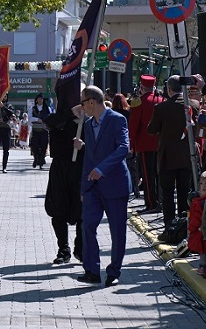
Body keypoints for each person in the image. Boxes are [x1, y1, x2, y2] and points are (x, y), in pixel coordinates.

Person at [72, 85, 131, 286]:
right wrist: (83, 187)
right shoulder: (88, 125)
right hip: (92, 187)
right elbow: (90, 157)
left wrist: (102, 168)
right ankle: (92, 271)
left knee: (117, 230)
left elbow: (123, 148)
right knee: (87, 225)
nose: (81, 107)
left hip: (114, 184)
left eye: (82, 102)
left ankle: (114, 271)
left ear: (91, 102)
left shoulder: (117, 120)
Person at [147, 75, 196, 231]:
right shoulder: (193, 105)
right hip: (187, 156)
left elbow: (151, 129)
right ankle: (184, 225)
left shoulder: (161, 108)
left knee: (167, 194)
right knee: (184, 192)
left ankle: (169, 226)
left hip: (167, 157)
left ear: (168, 89)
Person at [44, 109, 84, 264]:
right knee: (58, 209)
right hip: (60, 169)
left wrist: (83, 146)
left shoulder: (87, 122)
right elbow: (47, 121)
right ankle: (63, 250)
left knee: (81, 211)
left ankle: (80, 249)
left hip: (80, 168)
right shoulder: (59, 120)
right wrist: (69, 113)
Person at [128, 75, 163, 213]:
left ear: (142, 87)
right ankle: (160, 201)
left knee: (148, 176)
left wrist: (131, 144)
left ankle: (151, 203)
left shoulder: (139, 102)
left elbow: (134, 125)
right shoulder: (161, 100)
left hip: (144, 144)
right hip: (160, 145)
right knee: (159, 174)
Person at [29, 93, 50, 169]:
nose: (40, 100)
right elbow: (30, 118)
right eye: (38, 99)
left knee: (44, 145)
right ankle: (35, 159)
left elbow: (50, 118)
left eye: (41, 99)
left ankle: (41, 161)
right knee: (35, 146)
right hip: (35, 130)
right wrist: (37, 119)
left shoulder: (47, 108)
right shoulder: (32, 108)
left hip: (44, 130)